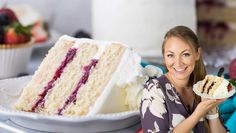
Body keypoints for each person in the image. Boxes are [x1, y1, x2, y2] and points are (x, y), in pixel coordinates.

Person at [140, 26, 227, 133]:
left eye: (185, 54)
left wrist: (212, 110)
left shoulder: (202, 87)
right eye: (170, 55)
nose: (178, 63)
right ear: (164, 57)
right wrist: (198, 114)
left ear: (197, 54)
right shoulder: (153, 90)